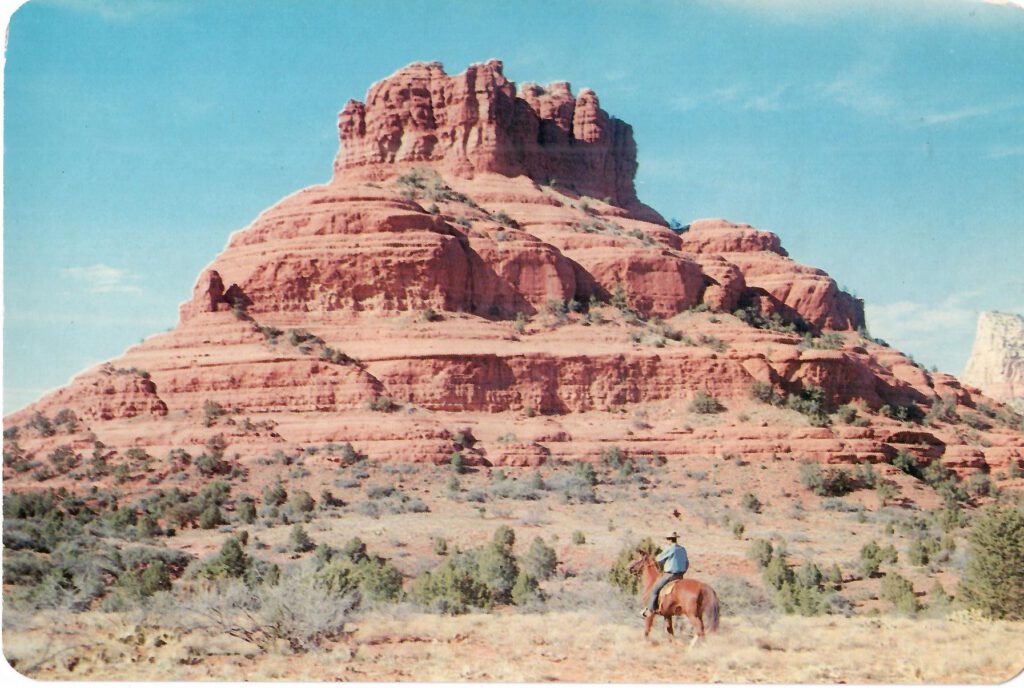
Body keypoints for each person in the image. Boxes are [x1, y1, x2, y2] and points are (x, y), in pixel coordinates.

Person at [643, 531, 689, 617]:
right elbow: (687, 563)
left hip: (670, 575)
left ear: (669, 540)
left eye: (667, 539)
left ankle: (650, 610)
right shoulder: (683, 549)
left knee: (655, 589)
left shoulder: (670, 548)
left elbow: (658, 558)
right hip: (680, 576)